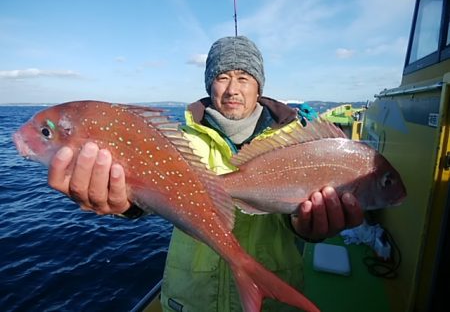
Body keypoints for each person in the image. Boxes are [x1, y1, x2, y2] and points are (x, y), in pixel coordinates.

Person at [48, 36, 364, 311]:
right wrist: (123, 202)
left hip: (276, 305)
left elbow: (297, 211)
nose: (232, 89)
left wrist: (310, 226)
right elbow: (148, 191)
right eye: (222, 77)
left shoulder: (297, 141)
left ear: (259, 85)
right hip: (191, 301)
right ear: (209, 83)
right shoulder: (177, 140)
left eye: (243, 77)